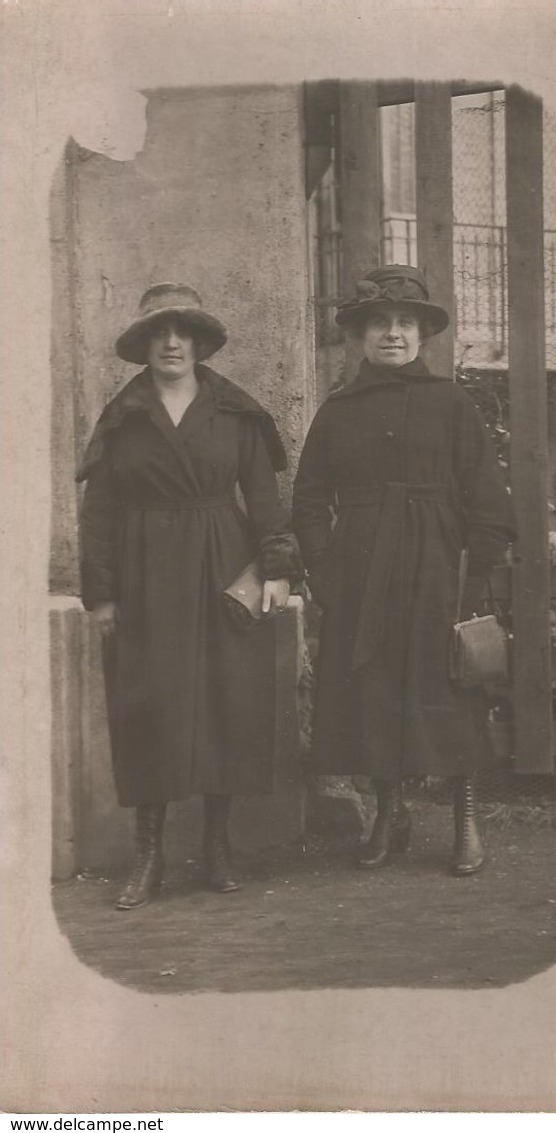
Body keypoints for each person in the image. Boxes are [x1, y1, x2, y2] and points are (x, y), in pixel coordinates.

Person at [77, 283, 301, 910]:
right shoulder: (124, 417)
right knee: (148, 703)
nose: (172, 343)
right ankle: (148, 853)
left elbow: (262, 499)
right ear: (144, 344)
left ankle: (218, 845)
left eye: (183, 332)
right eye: (159, 332)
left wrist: (279, 570)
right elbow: (99, 512)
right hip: (145, 570)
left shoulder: (236, 413)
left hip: (223, 565)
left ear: (201, 344)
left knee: (226, 698)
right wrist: (102, 594)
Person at [292, 265, 516, 875]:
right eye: (380, 323)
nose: (393, 334)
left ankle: (465, 823)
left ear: (422, 334)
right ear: (361, 336)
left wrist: (472, 577)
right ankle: (388, 817)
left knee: (451, 688)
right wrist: (325, 572)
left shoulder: (451, 404)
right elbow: (309, 499)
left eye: (405, 323)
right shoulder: (338, 411)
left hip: (438, 567)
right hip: (361, 572)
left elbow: (488, 499)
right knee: (374, 692)